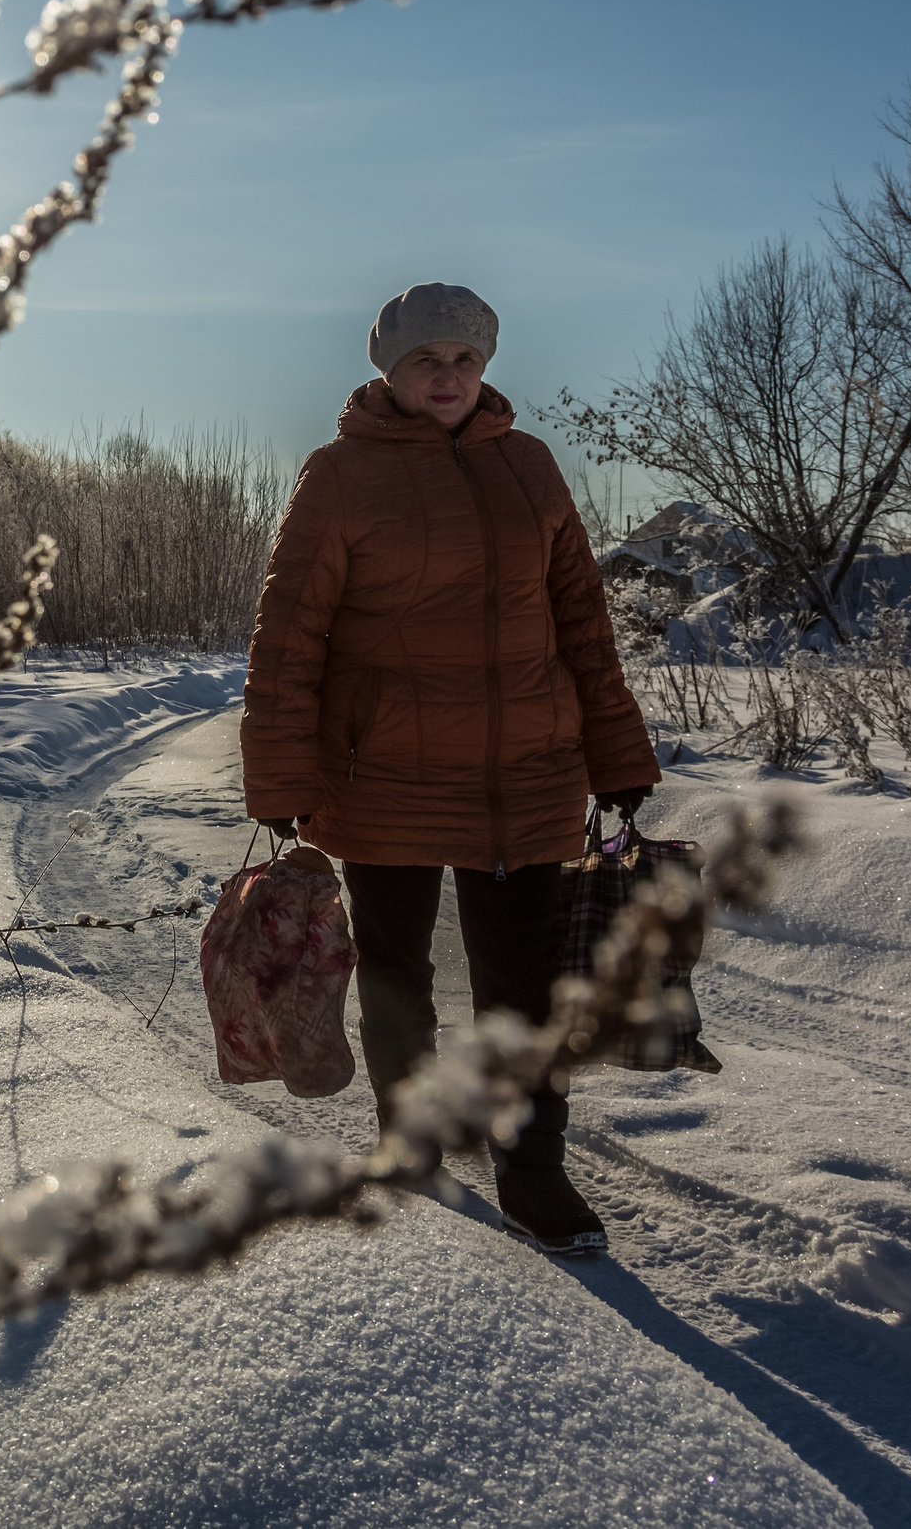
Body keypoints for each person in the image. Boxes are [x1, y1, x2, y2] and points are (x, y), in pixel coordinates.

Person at [239, 281, 659, 1257]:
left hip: (528, 774)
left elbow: (584, 627)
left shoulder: (532, 469)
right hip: (382, 776)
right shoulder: (339, 474)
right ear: (390, 367)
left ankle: (534, 1169)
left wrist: (617, 755)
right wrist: (282, 775)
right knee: (397, 972)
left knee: (523, 985)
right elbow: (287, 637)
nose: (448, 376)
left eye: (466, 359)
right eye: (428, 359)